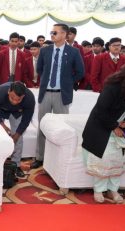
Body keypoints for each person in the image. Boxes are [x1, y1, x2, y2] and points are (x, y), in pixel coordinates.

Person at [31, 23, 85, 169]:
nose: (52, 35)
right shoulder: (45, 51)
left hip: (62, 94)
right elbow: (39, 68)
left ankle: (60, 158)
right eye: (51, 32)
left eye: (55, 32)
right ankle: (40, 157)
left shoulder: (73, 52)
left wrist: (67, 82)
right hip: (46, 93)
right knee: (42, 125)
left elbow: (80, 72)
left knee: (62, 127)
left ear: (64, 34)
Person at [81, 66, 125, 204]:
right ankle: (99, 190)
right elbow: (101, 111)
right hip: (101, 128)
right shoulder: (113, 87)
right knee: (104, 160)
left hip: (120, 129)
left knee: (119, 160)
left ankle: (113, 189)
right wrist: (114, 127)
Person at [0, 81, 35, 178]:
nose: (14, 101)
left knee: (19, 137)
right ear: (9, 91)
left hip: (16, 113)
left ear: (23, 96)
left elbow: (26, 120)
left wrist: (16, 135)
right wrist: (3, 126)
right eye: (12, 98)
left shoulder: (29, 98)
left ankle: (16, 165)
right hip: (0, 111)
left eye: (18, 100)